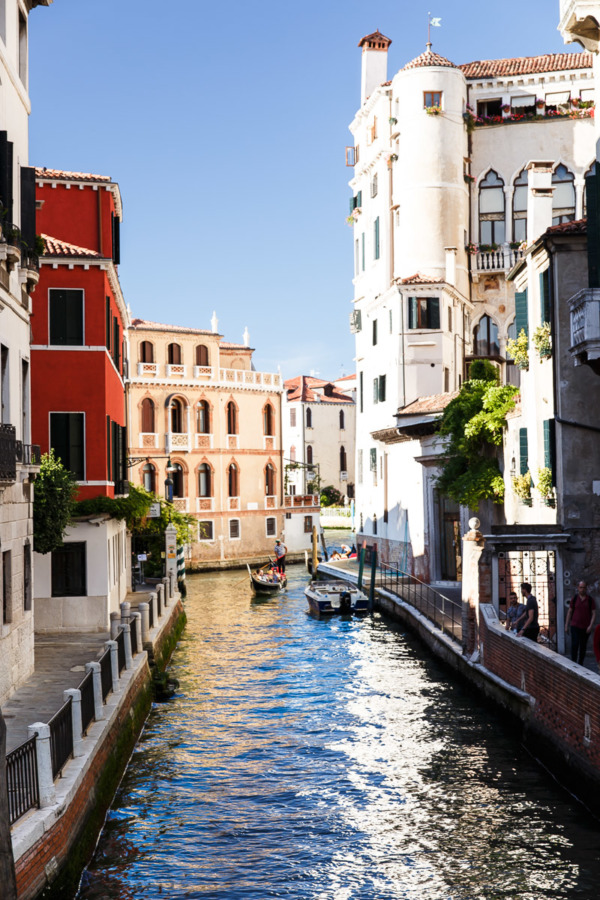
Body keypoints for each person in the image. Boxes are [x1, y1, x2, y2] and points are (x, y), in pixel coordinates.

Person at [565, 580, 596, 665]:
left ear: (586, 588)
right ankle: (574, 663)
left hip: (585, 627)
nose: (582, 589)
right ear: (578, 588)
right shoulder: (574, 599)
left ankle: (580, 663)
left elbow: (593, 613)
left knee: (583, 646)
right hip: (575, 626)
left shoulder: (590, 600)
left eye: (584, 588)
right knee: (574, 645)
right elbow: (570, 612)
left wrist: (590, 625)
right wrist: (566, 625)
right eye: (581, 587)